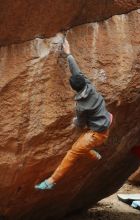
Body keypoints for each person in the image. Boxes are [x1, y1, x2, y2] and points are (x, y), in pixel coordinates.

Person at [35, 38, 113, 190]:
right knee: (82, 146)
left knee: (73, 152)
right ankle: (93, 154)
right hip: (106, 122)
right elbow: (76, 71)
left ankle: (51, 181)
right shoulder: (88, 84)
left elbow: (81, 124)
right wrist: (68, 53)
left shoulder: (81, 106)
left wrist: (74, 122)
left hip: (97, 134)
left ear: (74, 89)